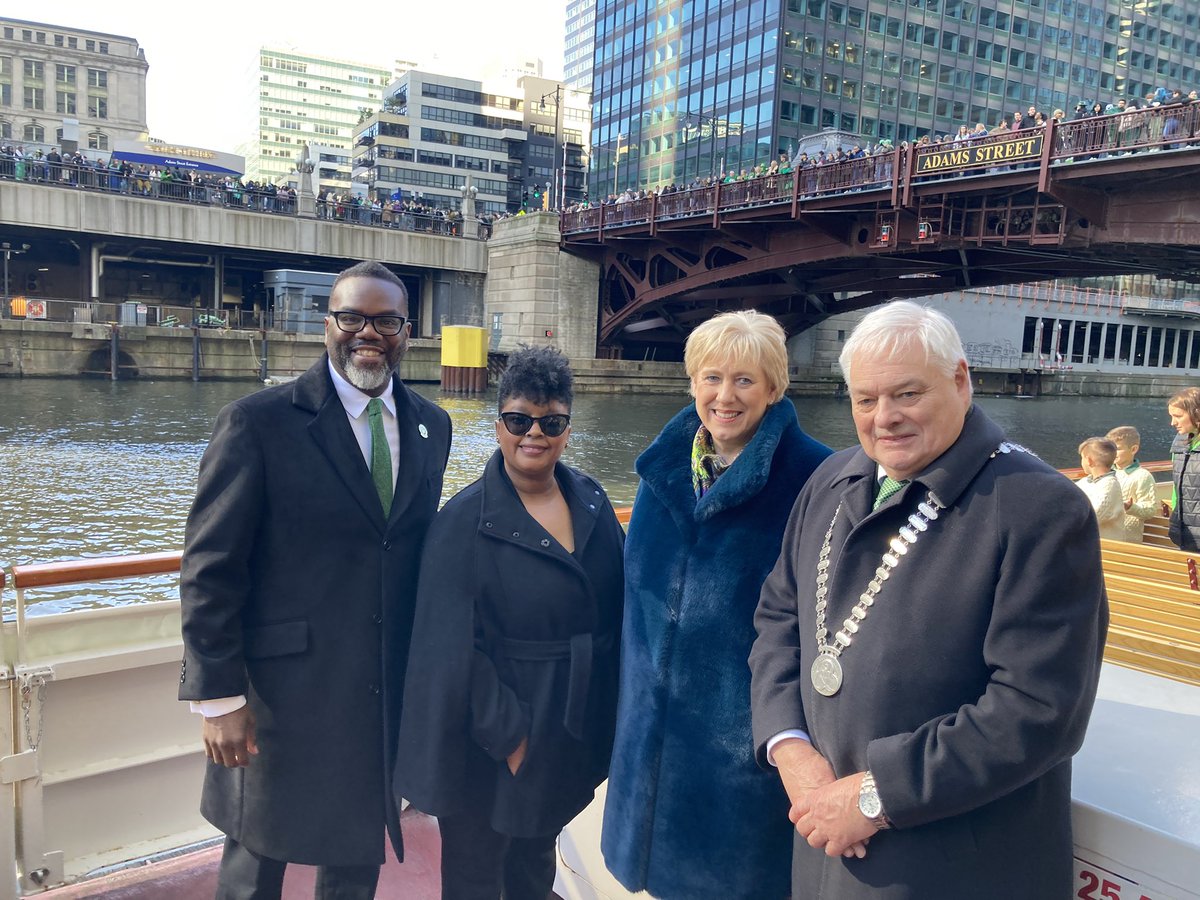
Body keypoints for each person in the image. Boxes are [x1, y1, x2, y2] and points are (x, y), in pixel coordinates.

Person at [749, 300, 1107, 900]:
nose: (884, 418)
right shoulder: (831, 481)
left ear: (961, 380)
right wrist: (789, 749)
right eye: (865, 399)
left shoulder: (1037, 507)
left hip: (955, 866)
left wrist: (875, 795)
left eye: (907, 394)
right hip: (825, 852)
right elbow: (778, 620)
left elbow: (1039, 708)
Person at [178, 260, 452, 899]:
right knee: (256, 863)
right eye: (352, 318)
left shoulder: (430, 426)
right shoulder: (258, 423)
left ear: (407, 331)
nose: (369, 333)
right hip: (278, 696)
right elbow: (210, 568)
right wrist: (219, 697)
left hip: (380, 693)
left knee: (357, 857)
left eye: (386, 321)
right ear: (326, 325)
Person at [601, 310, 832, 900]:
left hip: (742, 757)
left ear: (775, 388)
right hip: (648, 746)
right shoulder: (661, 473)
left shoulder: (817, 480)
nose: (724, 396)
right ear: (691, 383)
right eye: (710, 378)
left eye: (745, 380)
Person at [394, 346, 625, 900]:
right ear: (499, 426)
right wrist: (512, 738)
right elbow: (448, 648)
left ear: (567, 428)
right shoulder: (463, 524)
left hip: (568, 721)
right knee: (477, 874)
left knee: (533, 863)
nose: (534, 434)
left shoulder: (590, 499)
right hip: (492, 737)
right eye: (519, 420)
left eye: (551, 422)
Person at [1106, 426, 1158, 543]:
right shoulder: (1105, 473)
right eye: (1109, 449)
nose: (1112, 453)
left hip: (1128, 539)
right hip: (1105, 537)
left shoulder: (1142, 476)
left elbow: (1150, 509)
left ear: (1133, 449)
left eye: (1117, 449)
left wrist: (1130, 507)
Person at [1166, 386, 1200, 550]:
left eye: (1178, 416)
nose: (1173, 423)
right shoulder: (1180, 442)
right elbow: (1176, 487)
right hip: (1184, 532)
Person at [1076, 437, 1125, 540]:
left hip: (1106, 548)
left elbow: (1094, 516)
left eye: (1082, 458)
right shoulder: (1085, 482)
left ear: (1089, 460)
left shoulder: (1110, 485)